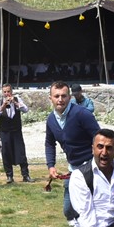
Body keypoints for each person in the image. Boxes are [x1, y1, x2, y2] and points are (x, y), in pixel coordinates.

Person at [46, 80, 101, 215]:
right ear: (50, 98)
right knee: (69, 210)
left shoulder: (82, 114)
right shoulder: (51, 120)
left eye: (64, 96)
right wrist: (51, 165)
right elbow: (49, 143)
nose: (60, 99)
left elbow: (100, 139)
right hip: (73, 169)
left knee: (93, 209)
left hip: (92, 168)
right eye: (56, 96)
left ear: (70, 97)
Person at [0, 83, 32, 184]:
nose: (7, 94)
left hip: (16, 130)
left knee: (21, 152)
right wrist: (3, 106)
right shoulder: (0, 101)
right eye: (5, 92)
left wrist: (15, 103)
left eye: (8, 91)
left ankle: (25, 175)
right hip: (5, 131)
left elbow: (26, 110)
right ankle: (9, 176)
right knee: (6, 153)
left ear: (12, 92)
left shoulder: (17, 99)